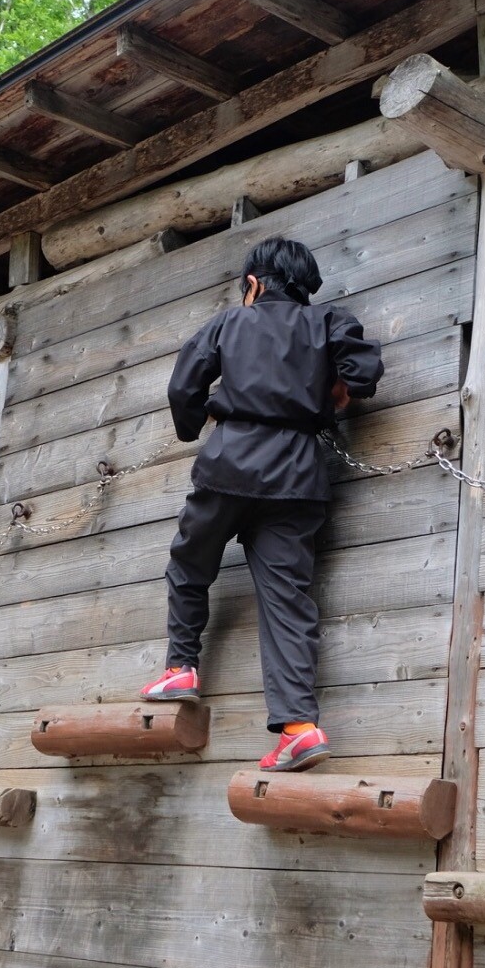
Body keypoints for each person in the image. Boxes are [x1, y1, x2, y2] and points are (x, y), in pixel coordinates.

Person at [139, 236, 383, 772]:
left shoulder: (230, 323)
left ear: (253, 285)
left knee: (190, 564)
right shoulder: (328, 322)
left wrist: (194, 423)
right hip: (298, 474)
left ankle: (181, 666)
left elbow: (184, 388)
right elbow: (363, 375)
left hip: (231, 461)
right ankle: (299, 726)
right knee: (288, 601)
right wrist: (335, 391)